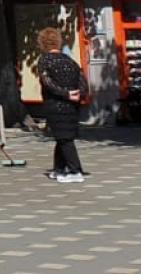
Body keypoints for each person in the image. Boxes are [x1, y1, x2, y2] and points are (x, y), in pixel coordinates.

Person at [35, 27, 88, 183]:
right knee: (62, 136)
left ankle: (75, 171)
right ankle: (59, 169)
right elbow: (83, 82)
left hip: (55, 104)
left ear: (42, 43)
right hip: (73, 105)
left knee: (65, 139)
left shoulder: (45, 60)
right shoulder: (70, 60)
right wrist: (79, 94)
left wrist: (65, 94)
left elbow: (48, 83)